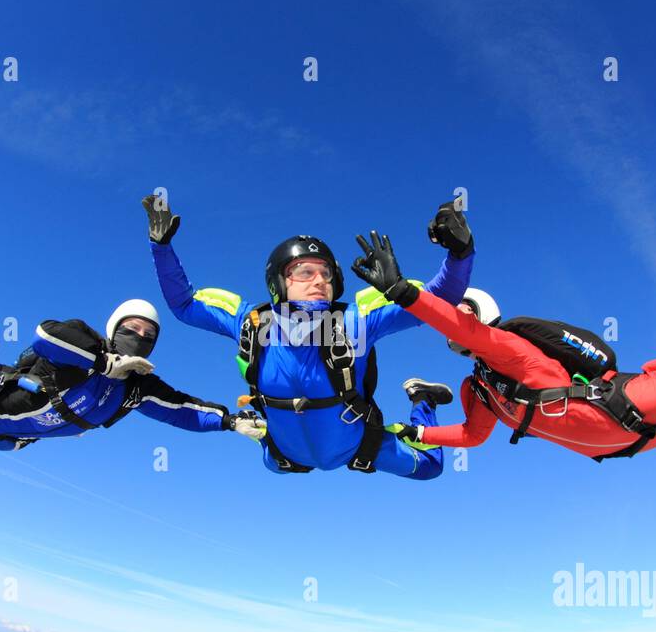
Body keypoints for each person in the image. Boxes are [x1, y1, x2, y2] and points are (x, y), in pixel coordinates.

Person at [350, 226, 656, 461]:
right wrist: (418, 433)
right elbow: (473, 435)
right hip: (629, 443)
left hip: (627, 406)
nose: (455, 328)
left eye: (464, 314)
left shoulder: (508, 345)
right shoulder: (482, 388)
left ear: (484, 316)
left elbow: (467, 331)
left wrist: (403, 292)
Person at [144, 195, 475, 477]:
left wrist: (460, 253)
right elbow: (185, 305)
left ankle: (423, 400)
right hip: (281, 454)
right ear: (278, 282)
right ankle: (260, 430)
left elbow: (441, 299)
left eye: (326, 273)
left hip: (355, 446)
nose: (319, 281)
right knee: (272, 462)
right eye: (304, 272)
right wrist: (162, 247)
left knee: (430, 467)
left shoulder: (356, 321)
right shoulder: (252, 322)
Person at [0, 299, 266, 451]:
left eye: (148, 335)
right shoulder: (84, 340)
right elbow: (45, 336)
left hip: (15, 433)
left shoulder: (137, 387)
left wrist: (230, 421)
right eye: (131, 328)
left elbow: (181, 409)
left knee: (1, 444)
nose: (139, 337)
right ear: (113, 329)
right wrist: (103, 361)